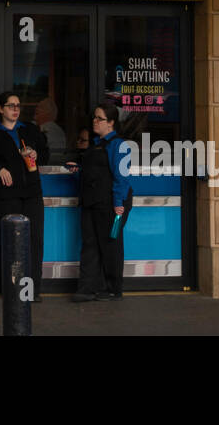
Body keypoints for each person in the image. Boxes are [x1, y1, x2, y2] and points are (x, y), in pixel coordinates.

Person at [0, 91, 49, 299]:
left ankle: (31, 291)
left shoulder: (30, 130)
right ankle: (13, 290)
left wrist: (36, 154)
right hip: (5, 196)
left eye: (17, 106)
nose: (15, 109)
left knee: (34, 241)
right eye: (10, 105)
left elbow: (46, 153)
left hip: (32, 193)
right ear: (0, 109)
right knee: (12, 242)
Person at [68, 101, 132, 302]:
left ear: (111, 123)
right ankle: (87, 288)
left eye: (99, 118)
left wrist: (118, 203)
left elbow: (122, 177)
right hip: (91, 202)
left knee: (110, 245)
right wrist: (79, 170)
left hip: (111, 203)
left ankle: (112, 288)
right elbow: (95, 174)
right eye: (94, 117)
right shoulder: (95, 144)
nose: (94, 121)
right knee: (89, 245)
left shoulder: (119, 145)